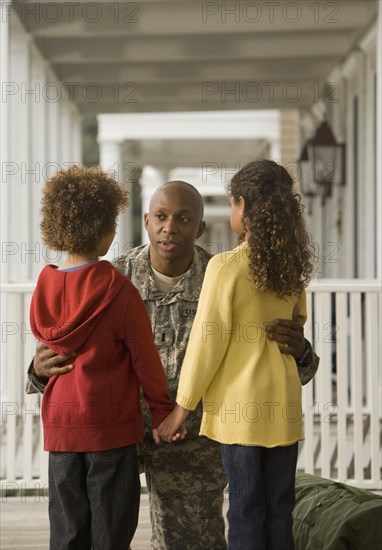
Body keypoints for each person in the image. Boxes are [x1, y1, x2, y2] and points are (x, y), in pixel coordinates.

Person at [27, 179, 319, 550]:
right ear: (146, 221)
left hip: (190, 444)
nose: (170, 227)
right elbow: (60, 355)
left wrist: (302, 353)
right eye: (161, 217)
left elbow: (273, 364)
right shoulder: (108, 279)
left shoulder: (230, 277)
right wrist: (37, 369)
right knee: (95, 534)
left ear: (199, 228)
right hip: (113, 433)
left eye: (183, 219)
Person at [158, 161, 314, 550]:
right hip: (283, 406)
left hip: (239, 412)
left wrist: (181, 409)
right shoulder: (291, 270)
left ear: (242, 205)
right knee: (280, 508)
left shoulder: (225, 267)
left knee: (245, 507)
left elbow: (205, 345)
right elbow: (298, 326)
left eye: (231, 205)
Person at [29, 165, 176, 550]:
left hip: (60, 430)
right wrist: (161, 412)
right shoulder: (119, 290)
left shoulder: (43, 287)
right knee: (110, 535)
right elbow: (146, 361)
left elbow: (47, 350)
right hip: (110, 430)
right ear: (107, 231)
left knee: (67, 534)